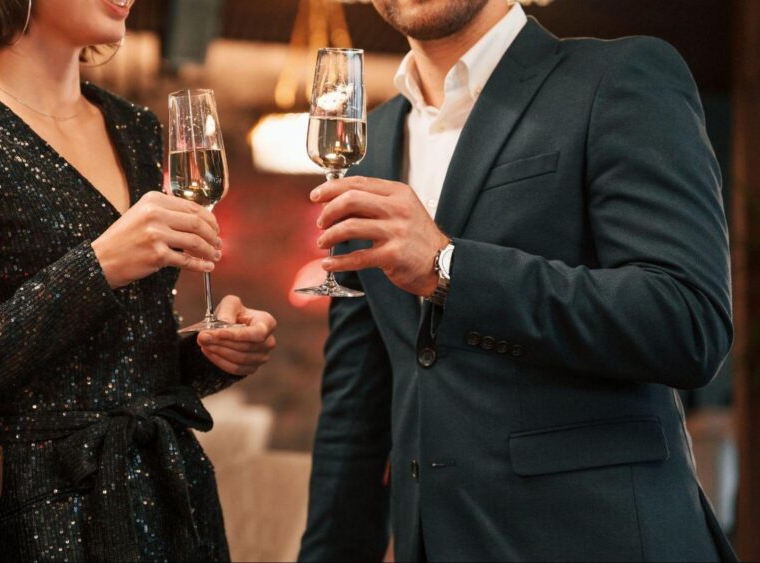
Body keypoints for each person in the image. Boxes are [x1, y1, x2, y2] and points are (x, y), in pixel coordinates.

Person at [299, 0, 735, 561]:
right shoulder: (367, 145)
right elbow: (353, 415)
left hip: (600, 540)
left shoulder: (620, 77)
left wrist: (449, 268)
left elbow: (686, 323)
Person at [0, 0, 277, 560]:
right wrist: (96, 267)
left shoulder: (137, 128)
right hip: (45, 522)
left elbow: (116, 368)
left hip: (175, 498)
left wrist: (209, 351)